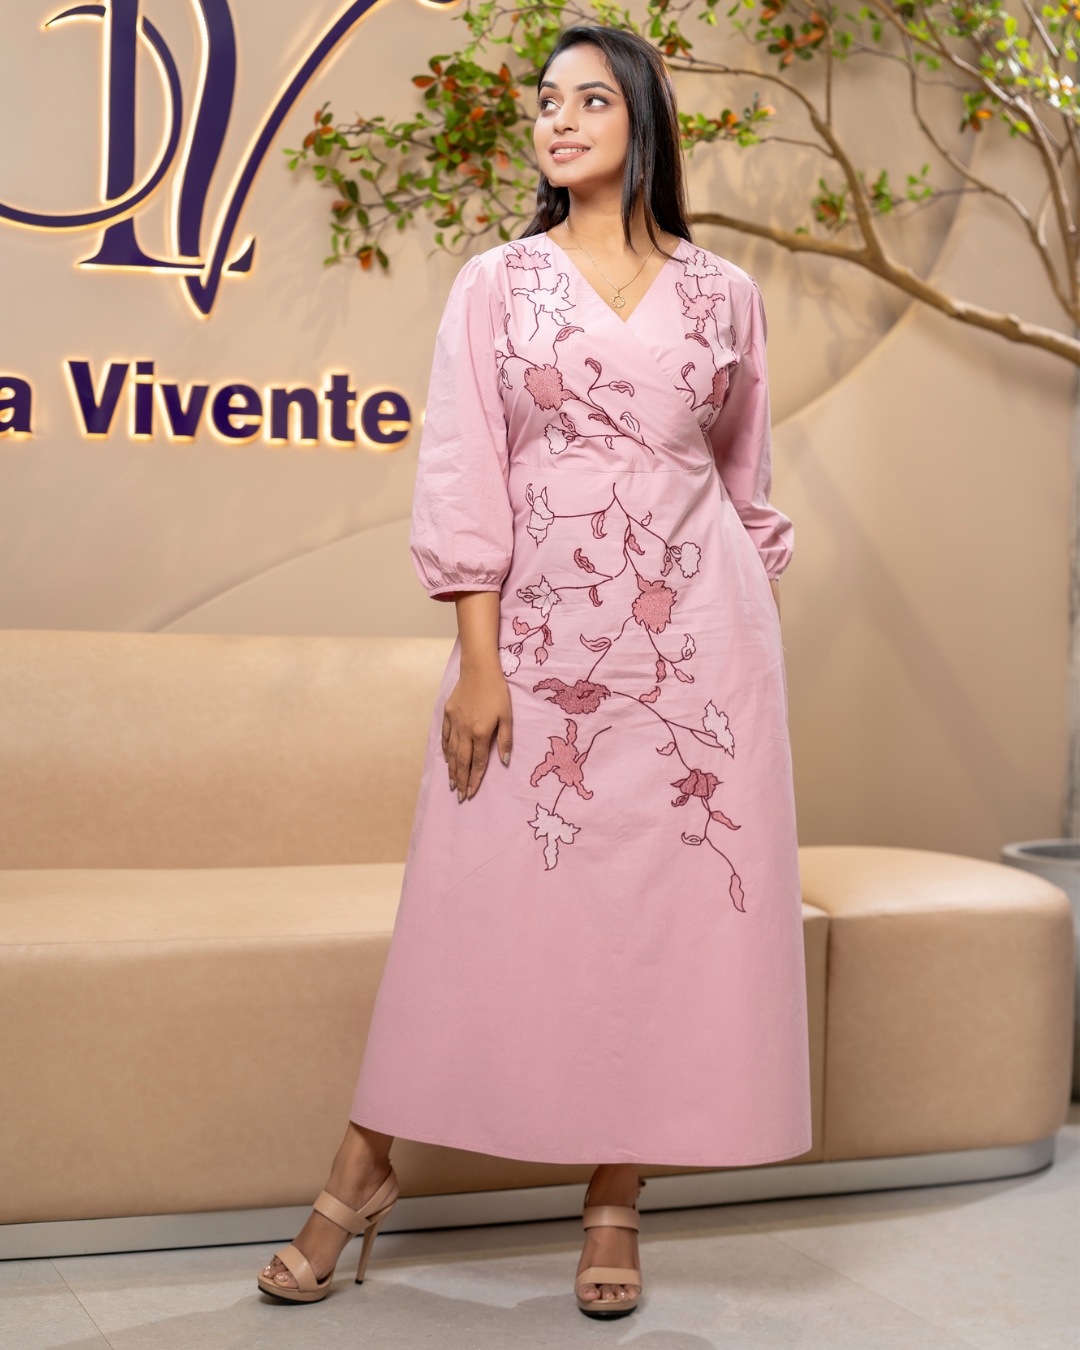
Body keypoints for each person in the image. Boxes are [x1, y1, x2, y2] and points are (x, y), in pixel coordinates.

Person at [258, 23, 811, 1318]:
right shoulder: (497, 284)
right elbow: (464, 471)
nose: (556, 120)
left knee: (660, 922)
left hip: (697, 663)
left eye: (588, 100)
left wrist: (734, 643)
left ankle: (614, 1194)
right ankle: (362, 1169)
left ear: (643, 118)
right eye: (546, 101)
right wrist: (478, 661)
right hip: (538, 655)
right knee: (474, 908)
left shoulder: (725, 294)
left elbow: (745, 489)